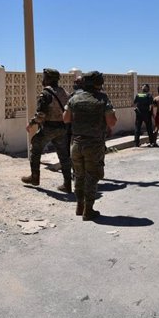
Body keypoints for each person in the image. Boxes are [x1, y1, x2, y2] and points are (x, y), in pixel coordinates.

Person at [63, 71, 117, 221]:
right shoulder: (102, 98)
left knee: (79, 175)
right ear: (98, 83)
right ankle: (89, 210)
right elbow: (111, 122)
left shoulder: (74, 98)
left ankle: (79, 205)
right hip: (94, 144)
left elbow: (66, 119)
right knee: (92, 176)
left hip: (76, 143)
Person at [21, 68, 72, 192]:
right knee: (64, 156)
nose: (42, 80)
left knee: (36, 147)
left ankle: (34, 177)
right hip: (63, 127)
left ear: (48, 79)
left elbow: (41, 114)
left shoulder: (46, 94)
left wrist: (31, 123)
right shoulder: (64, 92)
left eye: (44, 77)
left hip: (49, 127)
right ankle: (67, 184)